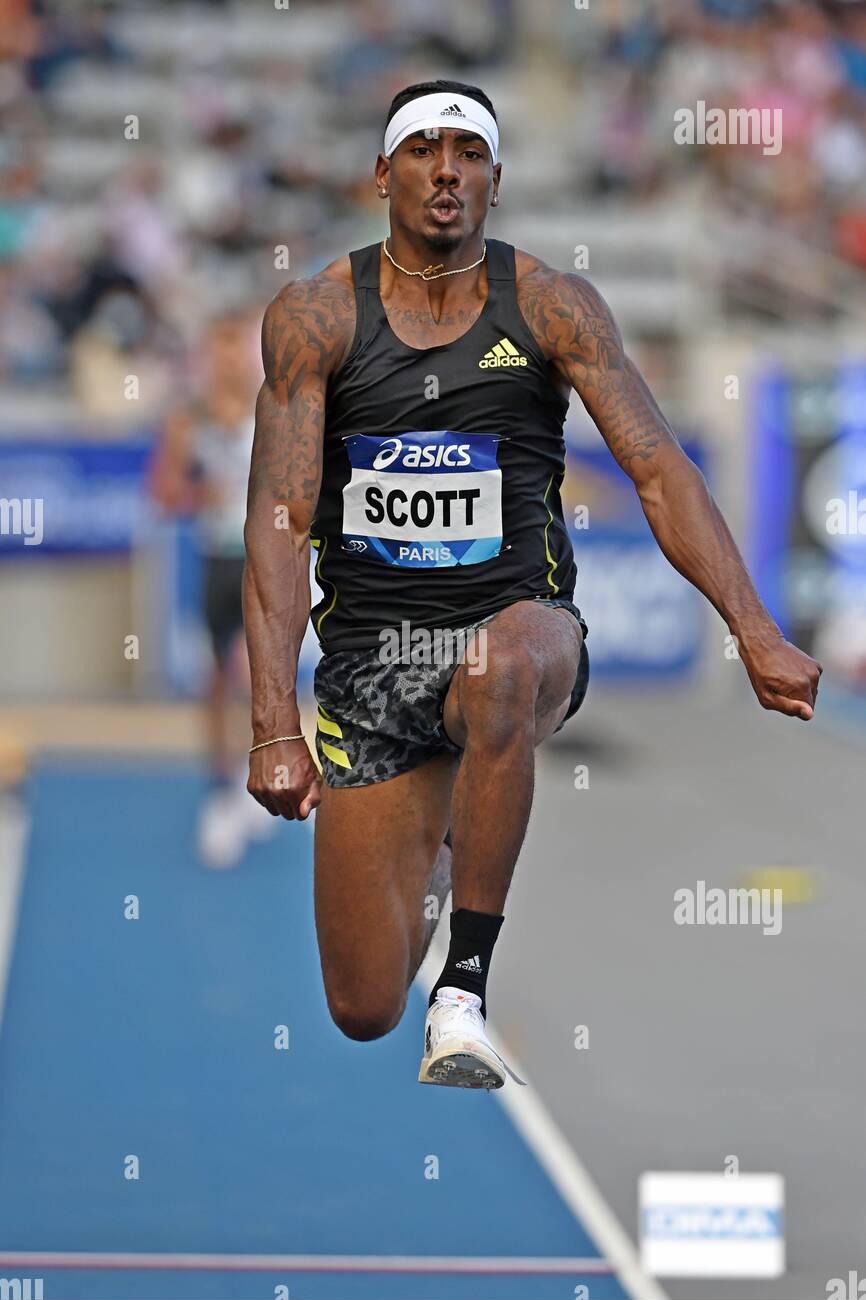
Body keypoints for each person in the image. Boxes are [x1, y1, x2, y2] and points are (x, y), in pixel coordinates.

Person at [243, 80, 821, 1088]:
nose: (444, 171)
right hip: (374, 665)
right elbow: (282, 520)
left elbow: (656, 468)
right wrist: (270, 723)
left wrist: (752, 627)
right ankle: (438, 839)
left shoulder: (551, 304)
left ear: (495, 180)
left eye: (467, 154)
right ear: (382, 172)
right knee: (361, 1004)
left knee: (502, 667)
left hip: (520, 623)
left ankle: (462, 992)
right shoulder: (314, 317)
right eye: (422, 150)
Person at [150, 308, 272, 867]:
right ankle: (219, 788)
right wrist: (205, 495)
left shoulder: (272, 408)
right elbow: (163, 492)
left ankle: (262, 773)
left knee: (254, 672)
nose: (229, 360)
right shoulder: (189, 418)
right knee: (216, 680)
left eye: (237, 349)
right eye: (219, 350)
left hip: (261, 560)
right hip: (214, 560)